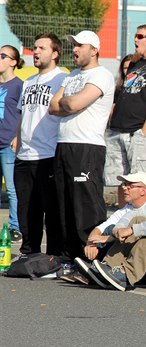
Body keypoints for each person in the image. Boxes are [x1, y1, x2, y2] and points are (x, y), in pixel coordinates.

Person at [48, 30, 115, 262]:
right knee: (64, 202)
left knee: (85, 204)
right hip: (63, 145)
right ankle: (69, 258)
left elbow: (72, 103)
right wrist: (69, 103)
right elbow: (52, 107)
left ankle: (93, 257)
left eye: (80, 45)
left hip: (87, 147)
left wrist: (68, 102)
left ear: (94, 50)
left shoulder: (102, 75)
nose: (74, 49)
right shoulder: (72, 75)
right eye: (73, 45)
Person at [105, 24, 146, 201]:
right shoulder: (135, 63)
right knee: (122, 181)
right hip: (118, 129)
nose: (136, 39)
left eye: (140, 36)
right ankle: (122, 219)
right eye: (136, 35)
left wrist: (144, 132)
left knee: (142, 181)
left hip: (139, 131)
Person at [15, 33, 67, 256]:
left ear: (55, 53)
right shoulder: (28, 82)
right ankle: (29, 253)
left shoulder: (62, 79)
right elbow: (22, 115)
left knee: (51, 210)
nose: (35, 52)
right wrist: (17, 144)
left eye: (42, 48)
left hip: (48, 154)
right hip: (24, 156)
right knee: (26, 210)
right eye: (34, 47)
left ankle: (53, 257)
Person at [59, 172, 146, 285]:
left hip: (145, 265)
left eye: (130, 185)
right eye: (124, 184)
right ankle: (92, 268)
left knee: (112, 231)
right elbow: (100, 228)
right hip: (125, 252)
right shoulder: (127, 209)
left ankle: (95, 270)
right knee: (110, 228)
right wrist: (91, 244)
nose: (124, 188)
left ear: (143, 191)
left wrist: (109, 238)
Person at [0, 44, 24, 242]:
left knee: (12, 189)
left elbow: (24, 115)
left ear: (13, 62)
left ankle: (15, 227)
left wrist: (17, 137)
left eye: (2, 55)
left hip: (8, 144)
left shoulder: (19, 85)